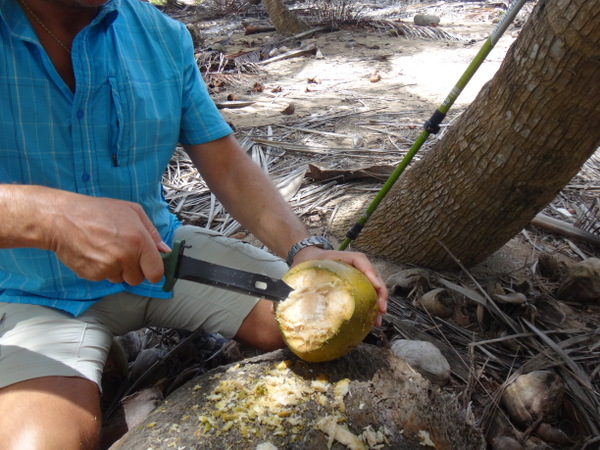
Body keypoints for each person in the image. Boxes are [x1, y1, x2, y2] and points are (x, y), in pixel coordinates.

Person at [0, 0, 388, 448]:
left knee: (314, 319)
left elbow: (225, 163)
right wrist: (48, 218)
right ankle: (94, 355)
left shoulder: (159, 36)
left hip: (163, 260)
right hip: (30, 291)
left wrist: (305, 249)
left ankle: (108, 356)